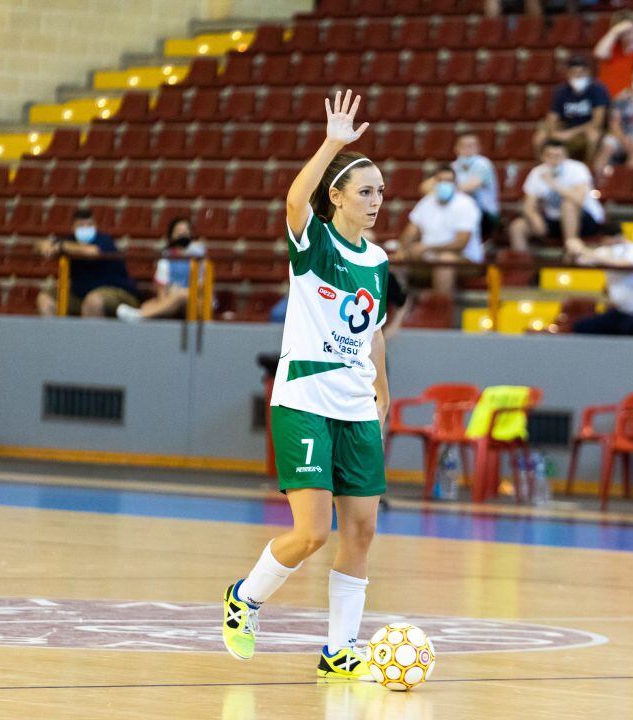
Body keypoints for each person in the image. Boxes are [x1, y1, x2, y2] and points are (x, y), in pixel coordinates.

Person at [222, 90, 391, 682]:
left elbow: (374, 332)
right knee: (313, 532)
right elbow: (295, 198)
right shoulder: (314, 242)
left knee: (363, 530)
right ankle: (245, 598)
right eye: (365, 192)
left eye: (380, 194)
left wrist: (383, 388)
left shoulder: (379, 259)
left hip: (355, 405)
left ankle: (339, 650)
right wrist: (333, 143)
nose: (375, 202)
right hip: (303, 401)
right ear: (338, 196)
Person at [508, 140, 606, 257]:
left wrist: (552, 182)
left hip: (585, 219)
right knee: (517, 227)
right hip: (554, 220)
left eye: (558, 156)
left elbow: (579, 199)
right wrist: (534, 218)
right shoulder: (537, 172)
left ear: (566, 156)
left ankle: (570, 252)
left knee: (568, 205)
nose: (554, 160)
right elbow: (528, 205)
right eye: (550, 156)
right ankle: (522, 268)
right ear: (542, 156)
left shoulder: (578, 168)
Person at [36, 209, 139, 318]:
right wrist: (45, 246)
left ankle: (91, 335)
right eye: (81, 225)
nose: (86, 228)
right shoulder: (70, 240)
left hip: (116, 291)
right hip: (80, 294)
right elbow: (41, 245)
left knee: (93, 302)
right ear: (73, 228)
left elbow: (92, 252)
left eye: (90, 224)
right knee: (45, 298)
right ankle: (54, 333)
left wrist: (62, 246)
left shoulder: (104, 240)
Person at [399, 166, 484, 295]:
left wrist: (427, 247)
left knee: (445, 260)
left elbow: (461, 243)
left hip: (464, 259)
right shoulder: (427, 202)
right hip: (429, 257)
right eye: (440, 180)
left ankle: (441, 309)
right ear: (434, 183)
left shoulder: (466, 204)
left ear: (455, 184)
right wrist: (405, 250)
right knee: (394, 259)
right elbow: (410, 232)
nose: (444, 184)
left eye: (448, 181)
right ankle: (397, 310)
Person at [570, 221, 633, 335]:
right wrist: (573, 247)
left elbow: (626, 265)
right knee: (582, 327)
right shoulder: (605, 251)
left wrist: (584, 250)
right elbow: (581, 260)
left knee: (628, 328)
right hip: (621, 311)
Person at [117, 218, 206, 323]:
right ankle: (141, 317)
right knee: (147, 305)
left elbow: (202, 286)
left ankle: (139, 316)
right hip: (172, 297)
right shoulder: (166, 258)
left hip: (196, 300)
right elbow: (161, 289)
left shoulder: (199, 256)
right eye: (178, 232)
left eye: (185, 232)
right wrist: (166, 299)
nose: (182, 236)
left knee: (179, 296)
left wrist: (182, 292)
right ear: (171, 236)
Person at [533, 56, 610, 162]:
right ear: (568, 73)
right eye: (574, 72)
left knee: (593, 137)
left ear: (588, 72)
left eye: (582, 72)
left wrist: (570, 133)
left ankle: (588, 169)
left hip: (586, 129)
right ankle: (543, 167)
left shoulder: (598, 89)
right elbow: (552, 117)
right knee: (539, 137)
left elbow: (597, 122)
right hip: (566, 126)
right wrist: (553, 132)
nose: (578, 76)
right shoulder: (561, 91)